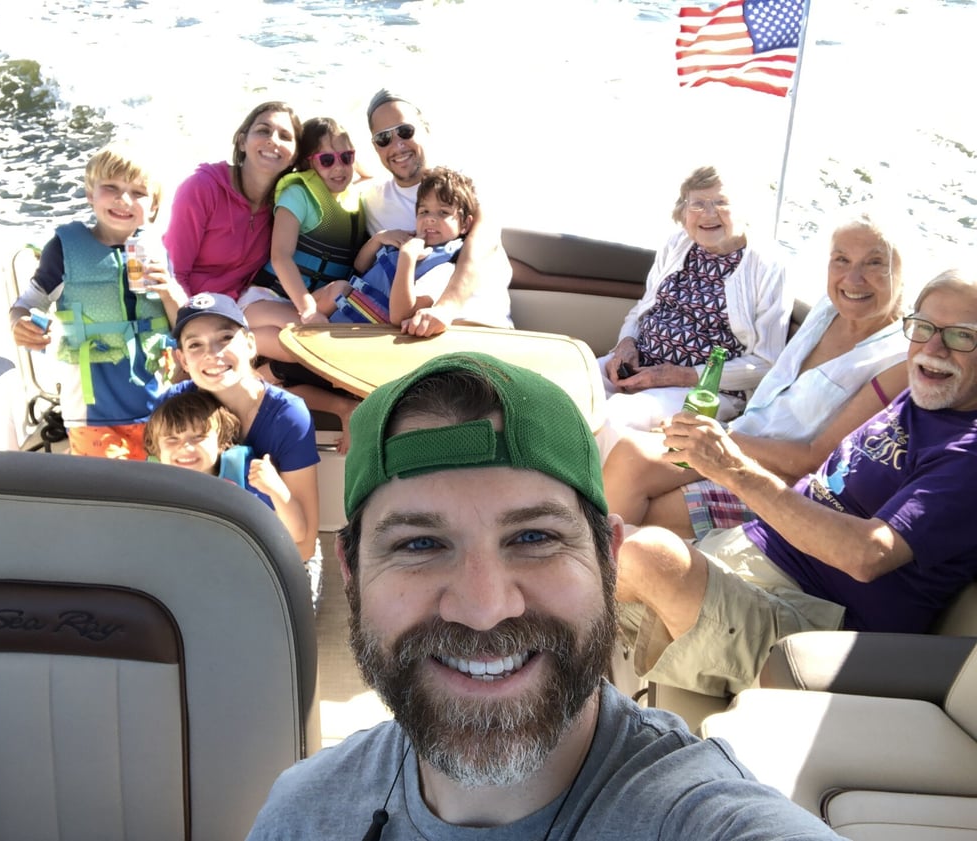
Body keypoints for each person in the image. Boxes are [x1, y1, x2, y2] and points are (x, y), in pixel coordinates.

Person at [247, 352, 843, 840]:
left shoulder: (702, 818)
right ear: (351, 573)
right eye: (420, 544)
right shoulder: (300, 813)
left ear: (609, 559)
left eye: (534, 537)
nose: (484, 607)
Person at [617, 268, 977, 698]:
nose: (933, 348)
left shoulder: (966, 455)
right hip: (749, 559)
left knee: (641, 554)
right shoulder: (921, 395)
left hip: (813, 620)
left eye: (961, 336)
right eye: (924, 328)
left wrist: (732, 467)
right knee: (593, 548)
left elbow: (866, 554)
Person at [605, 214, 908, 538]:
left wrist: (716, 439)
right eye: (841, 259)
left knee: (654, 513)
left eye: (875, 263)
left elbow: (815, 459)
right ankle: (592, 573)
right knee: (628, 454)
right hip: (737, 438)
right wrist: (711, 433)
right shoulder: (829, 308)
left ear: (905, 272)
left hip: (778, 485)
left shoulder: (897, 358)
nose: (853, 278)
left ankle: (607, 576)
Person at [595, 165, 791, 456]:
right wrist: (625, 345)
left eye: (721, 203)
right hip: (639, 366)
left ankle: (589, 500)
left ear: (746, 211)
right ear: (683, 212)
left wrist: (680, 375)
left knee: (614, 417)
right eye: (698, 203)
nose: (709, 213)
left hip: (706, 391)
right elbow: (643, 310)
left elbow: (766, 363)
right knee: (567, 387)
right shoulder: (677, 244)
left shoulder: (769, 266)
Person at [10, 141, 185, 460]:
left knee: (158, 491)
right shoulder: (64, 250)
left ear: (155, 206)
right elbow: (25, 304)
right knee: (109, 491)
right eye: (111, 187)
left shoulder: (158, 253)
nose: (124, 199)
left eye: (139, 192)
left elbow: (183, 328)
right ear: (91, 195)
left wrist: (170, 291)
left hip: (158, 405)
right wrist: (21, 323)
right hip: (92, 412)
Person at [163, 293, 321, 581]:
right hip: (199, 554)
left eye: (225, 338)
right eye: (195, 344)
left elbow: (305, 544)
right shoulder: (172, 409)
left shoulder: (288, 416)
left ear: (250, 344)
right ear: (182, 359)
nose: (212, 353)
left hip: (275, 563)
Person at [362, 89, 513, 336]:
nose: (397, 145)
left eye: (405, 131)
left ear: (426, 128)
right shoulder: (372, 200)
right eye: (383, 139)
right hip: (409, 334)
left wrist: (445, 309)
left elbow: (478, 248)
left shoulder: (464, 183)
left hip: (480, 325)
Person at [241, 116, 368, 360]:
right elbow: (280, 256)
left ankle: (268, 368)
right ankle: (238, 347)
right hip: (266, 299)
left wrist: (345, 156)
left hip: (305, 303)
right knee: (306, 347)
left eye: (346, 157)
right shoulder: (298, 194)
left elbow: (369, 176)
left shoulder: (352, 196)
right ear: (307, 164)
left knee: (342, 290)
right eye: (327, 160)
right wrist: (308, 309)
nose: (339, 168)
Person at [332, 165, 512, 327]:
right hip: (339, 319)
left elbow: (400, 316)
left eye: (443, 212)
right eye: (424, 211)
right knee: (336, 287)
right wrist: (379, 239)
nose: (430, 218)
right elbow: (360, 266)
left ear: (465, 225)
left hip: (367, 335)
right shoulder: (405, 238)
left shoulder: (445, 268)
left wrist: (407, 258)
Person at [162, 101, 301, 299]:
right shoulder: (201, 187)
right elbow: (175, 273)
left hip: (238, 310)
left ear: (295, 155)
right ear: (242, 142)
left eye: (285, 136)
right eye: (263, 130)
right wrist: (188, 322)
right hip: (189, 307)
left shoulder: (286, 204)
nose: (274, 140)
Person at [144, 388, 306, 544]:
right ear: (157, 449)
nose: (186, 447)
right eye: (172, 439)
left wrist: (276, 490)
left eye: (198, 437)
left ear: (222, 442)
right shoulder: (152, 486)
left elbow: (295, 534)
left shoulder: (246, 478)